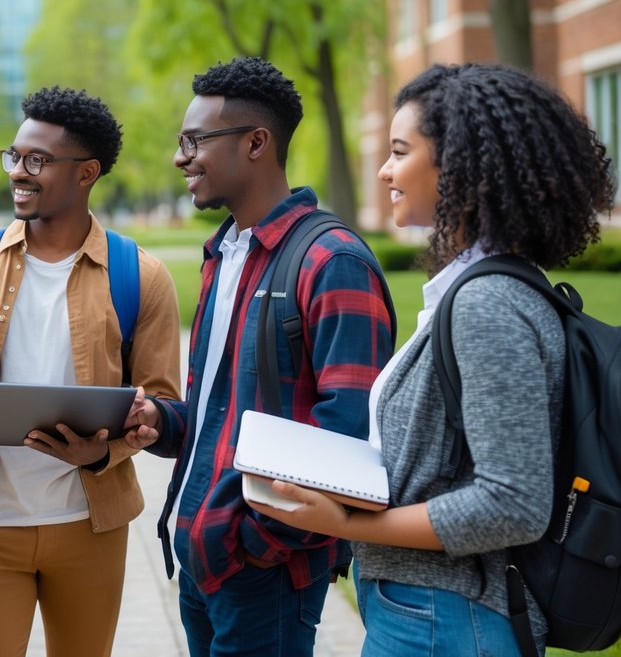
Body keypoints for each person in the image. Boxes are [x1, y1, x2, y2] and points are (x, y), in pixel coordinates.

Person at [249, 63, 616, 655]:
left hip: (445, 621)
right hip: (432, 614)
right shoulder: (482, 289)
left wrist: (348, 526)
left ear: (460, 166)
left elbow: (513, 505)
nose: (384, 170)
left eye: (400, 151)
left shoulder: (488, 303)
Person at [123, 56, 396, 656]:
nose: (180, 157)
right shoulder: (225, 252)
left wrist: (253, 539)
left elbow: (351, 434)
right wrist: (163, 422)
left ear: (255, 143)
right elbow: (223, 407)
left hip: (266, 571)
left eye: (195, 141)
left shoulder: (332, 261)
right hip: (199, 554)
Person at [0, 86, 182, 657]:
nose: (19, 172)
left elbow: (161, 403)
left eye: (38, 160)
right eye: (15, 156)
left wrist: (104, 451)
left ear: (86, 173)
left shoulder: (141, 277)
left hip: (91, 529)